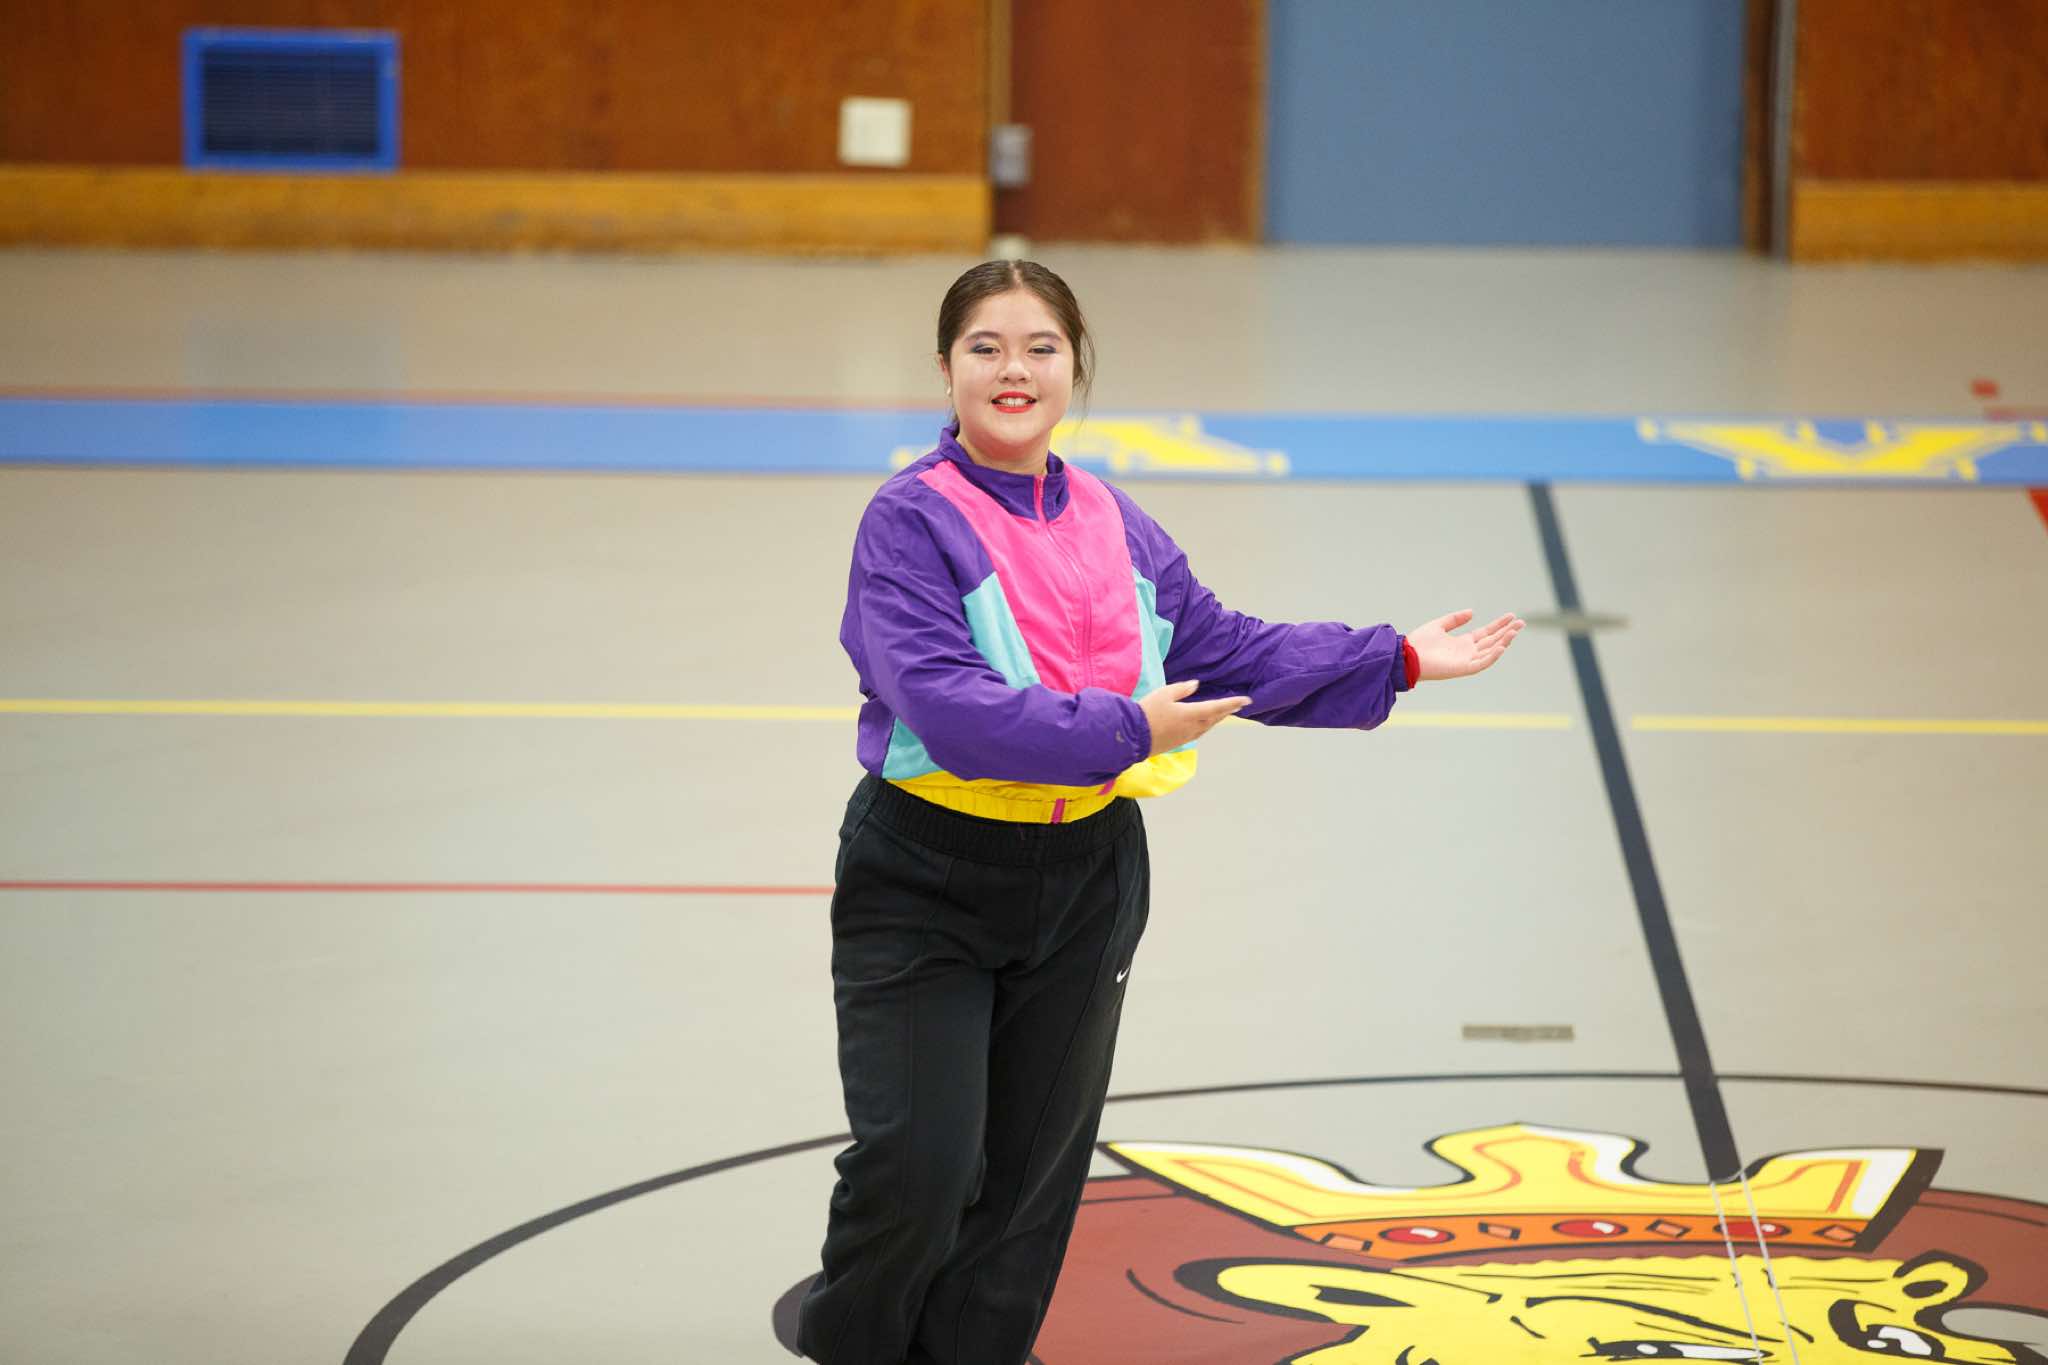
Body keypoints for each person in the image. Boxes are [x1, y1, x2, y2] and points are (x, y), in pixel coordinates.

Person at [795, 260, 1523, 1365]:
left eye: (1039, 347)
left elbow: (1222, 647)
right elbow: (951, 711)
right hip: (926, 876)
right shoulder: (909, 521)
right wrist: (1130, 729)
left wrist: (1395, 658)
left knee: (1030, 1185)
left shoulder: (1112, 520)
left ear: (1074, 367)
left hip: (1085, 881)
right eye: (985, 347)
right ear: (945, 369)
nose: (1013, 369)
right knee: (918, 1169)